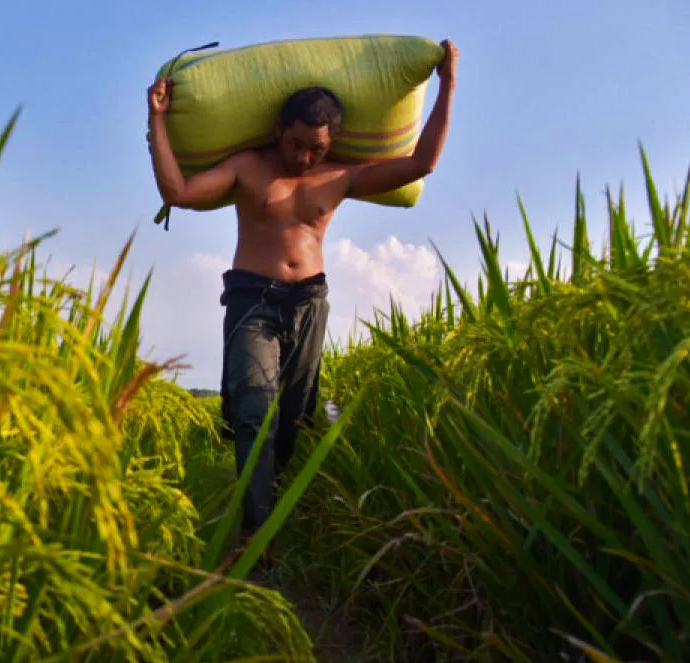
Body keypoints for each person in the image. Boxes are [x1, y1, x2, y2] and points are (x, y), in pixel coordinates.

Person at [146, 40, 458, 542]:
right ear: (278, 131)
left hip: (310, 301)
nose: (305, 156)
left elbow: (421, 165)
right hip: (252, 299)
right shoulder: (248, 167)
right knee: (254, 410)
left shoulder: (340, 176)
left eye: (317, 147)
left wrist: (448, 84)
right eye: (296, 144)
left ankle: (280, 505)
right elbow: (177, 193)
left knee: (293, 417)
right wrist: (157, 119)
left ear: (332, 141)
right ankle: (256, 534)